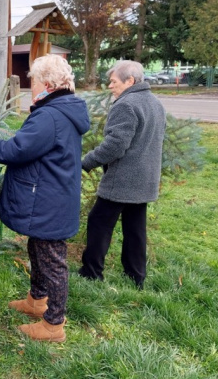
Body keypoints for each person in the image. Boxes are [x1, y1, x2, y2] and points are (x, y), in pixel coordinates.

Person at [0, 54, 90, 342]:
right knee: (38, 249)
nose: (29, 86)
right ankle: (37, 300)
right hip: (51, 195)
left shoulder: (50, 115)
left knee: (52, 259)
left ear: (47, 83)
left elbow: (16, 150)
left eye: (33, 81)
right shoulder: (61, 109)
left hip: (49, 200)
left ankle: (53, 324)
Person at [78, 60, 167, 290]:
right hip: (145, 179)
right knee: (135, 228)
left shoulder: (126, 105)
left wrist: (85, 162)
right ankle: (136, 276)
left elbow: (115, 146)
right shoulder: (155, 103)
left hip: (123, 180)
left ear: (130, 81)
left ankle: (91, 272)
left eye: (114, 81)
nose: (110, 86)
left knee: (98, 222)